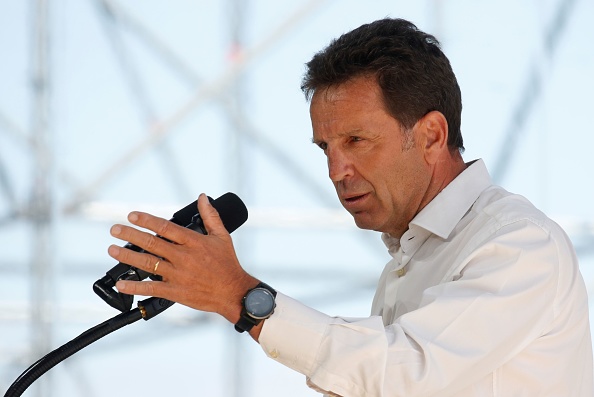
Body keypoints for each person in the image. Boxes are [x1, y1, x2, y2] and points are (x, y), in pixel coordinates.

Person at [107, 18, 594, 396]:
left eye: (356, 140)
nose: (336, 170)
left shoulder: (518, 244)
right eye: (325, 148)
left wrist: (242, 298)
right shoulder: (409, 265)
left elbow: (402, 372)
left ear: (431, 135)